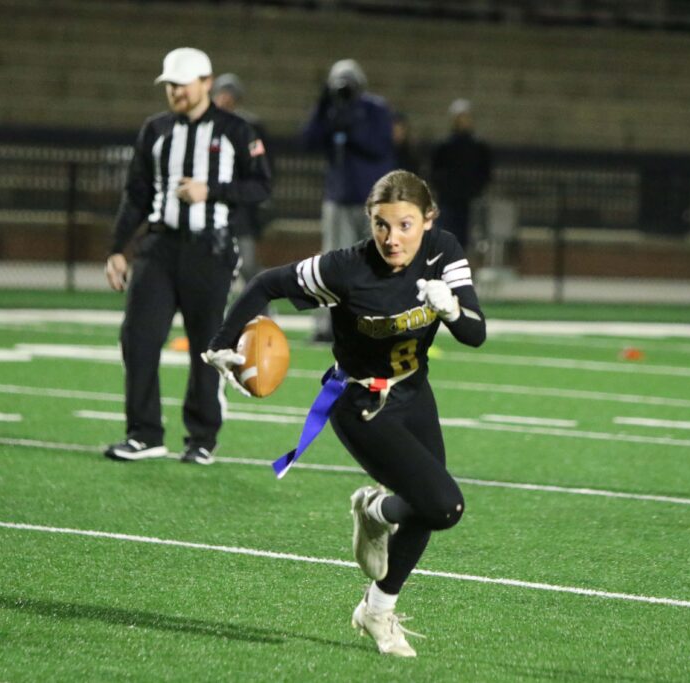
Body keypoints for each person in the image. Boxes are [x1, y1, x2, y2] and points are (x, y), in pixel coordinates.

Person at [203, 170, 486, 657]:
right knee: (444, 504)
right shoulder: (345, 268)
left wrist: (452, 311)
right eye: (381, 225)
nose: (391, 238)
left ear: (427, 220)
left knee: (430, 510)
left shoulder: (443, 250)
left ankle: (377, 606)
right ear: (369, 221)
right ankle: (376, 514)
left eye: (404, 225)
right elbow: (264, 284)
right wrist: (220, 345)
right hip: (360, 404)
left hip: (414, 392)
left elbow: (476, 333)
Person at [103, 47, 272, 466]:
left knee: (207, 345)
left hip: (210, 249)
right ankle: (144, 433)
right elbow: (136, 195)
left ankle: (202, 437)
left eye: (182, 83)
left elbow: (261, 187)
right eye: (170, 85)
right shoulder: (155, 130)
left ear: (206, 82)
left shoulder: (236, 130)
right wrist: (117, 249)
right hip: (158, 248)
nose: (175, 91)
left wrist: (211, 191)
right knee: (138, 339)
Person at [301, 58, 395, 341]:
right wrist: (322, 106)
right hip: (338, 198)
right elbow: (307, 141)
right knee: (333, 266)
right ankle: (329, 326)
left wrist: (351, 121)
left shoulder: (374, 109)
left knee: (377, 264)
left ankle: (380, 325)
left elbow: (379, 145)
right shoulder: (330, 111)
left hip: (372, 201)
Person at [212, 72, 274, 283]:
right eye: (222, 94)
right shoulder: (205, 126)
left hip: (241, 203)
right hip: (213, 201)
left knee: (247, 264)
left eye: (230, 95)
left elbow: (262, 163)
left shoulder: (250, 127)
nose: (225, 99)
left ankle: (260, 307)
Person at [429, 98, 492, 250]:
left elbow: (485, 172)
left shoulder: (479, 147)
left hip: (470, 201)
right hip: (448, 201)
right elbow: (436, 170)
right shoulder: (444, 146)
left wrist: (475, 189)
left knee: (468, 240)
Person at [391, 111, 421, 175]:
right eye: (394, 130)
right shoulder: (383, 153)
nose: (397, 134)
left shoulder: (411, 154)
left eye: (400, 130)